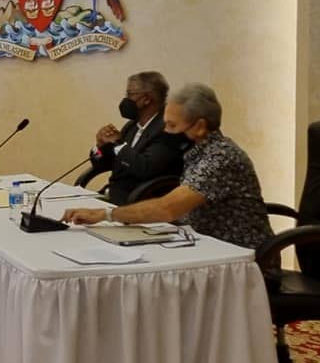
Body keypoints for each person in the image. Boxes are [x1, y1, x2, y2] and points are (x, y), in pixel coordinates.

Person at [63, 83, 274, 252]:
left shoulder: (220, 157)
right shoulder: (197, 152)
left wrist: (104, 215)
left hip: (241, 259)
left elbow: (168, 208)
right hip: (203, 246)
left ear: (200, 127)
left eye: (172, 126)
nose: (165, 131)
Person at [89, 71, 187, 205]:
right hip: (114, 195)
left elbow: (145, 168)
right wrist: (100, 147)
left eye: (130, 94)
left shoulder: (167, 129)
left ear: (146, 99)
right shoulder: (132, 126)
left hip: (140, 201)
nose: (126, 99)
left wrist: (118, 143)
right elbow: (108, 164)